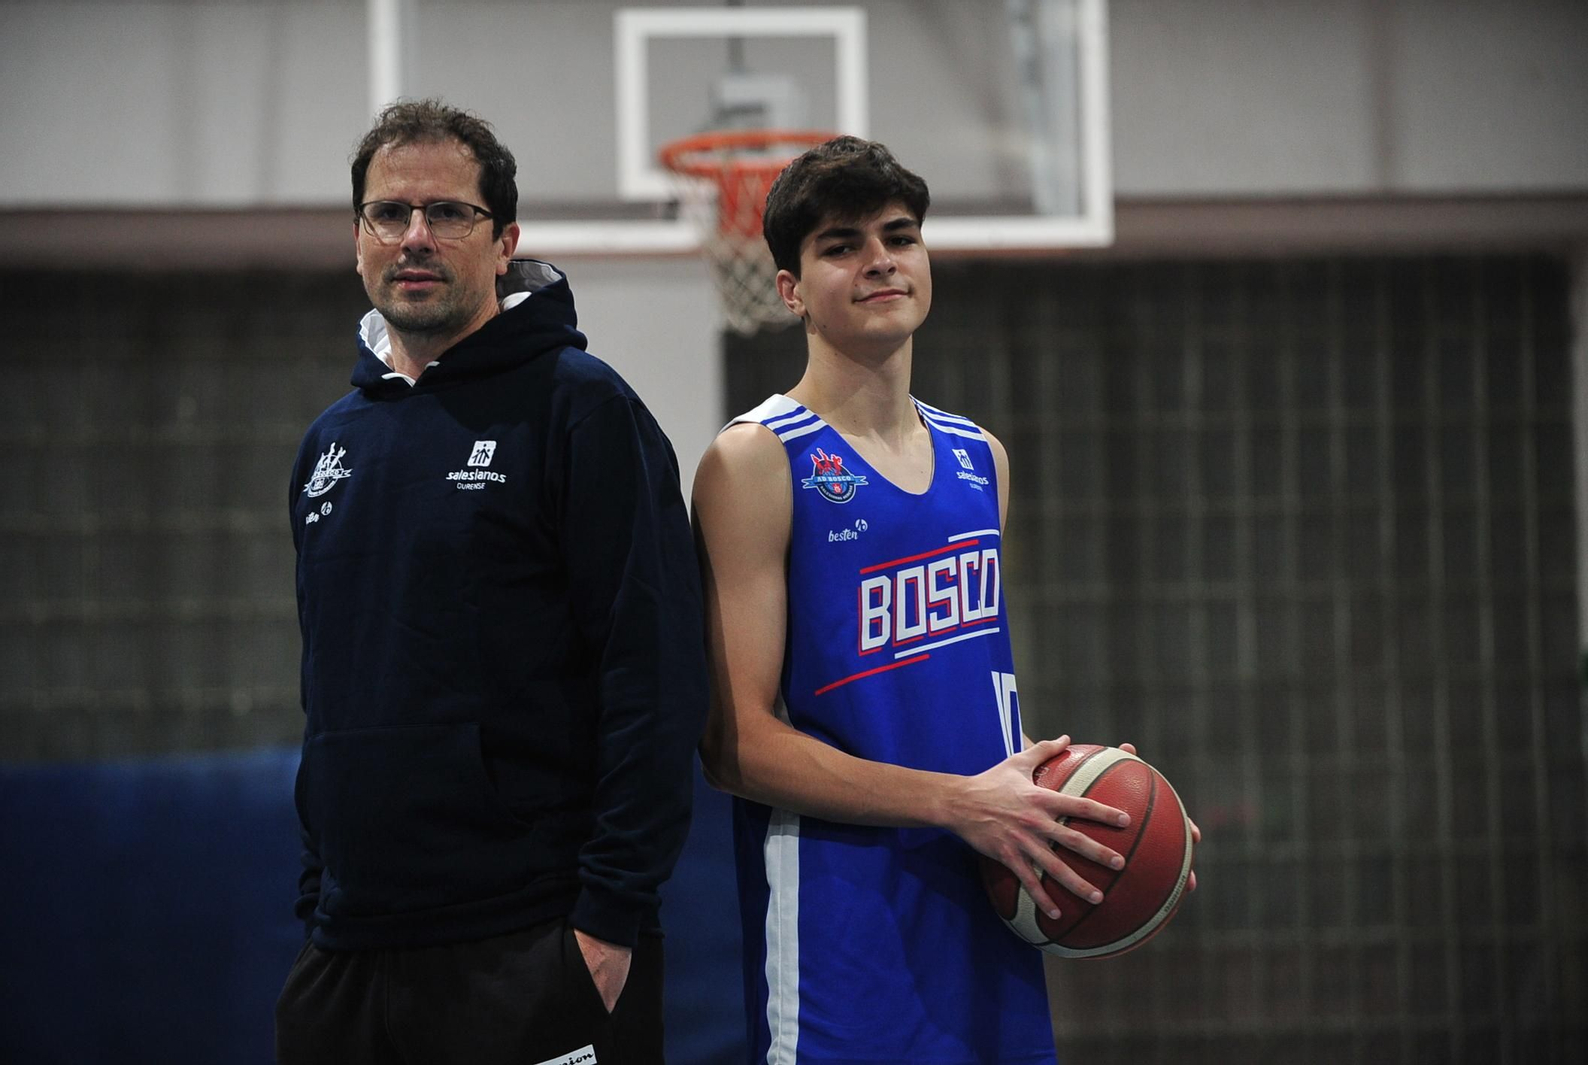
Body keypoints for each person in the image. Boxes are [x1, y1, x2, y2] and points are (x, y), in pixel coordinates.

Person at [694, 136, 1198, 1063]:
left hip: (986, 896)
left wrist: (1090, 802)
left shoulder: (980, 458)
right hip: (842, 920)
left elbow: (962, 701)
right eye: (842, 244)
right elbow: (737, 744)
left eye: (900, 235)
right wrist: (960, 805)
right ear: (791, 289)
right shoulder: (756, 460)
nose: (881, 258)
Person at [276, 99, 707, 1065]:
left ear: (505, 241)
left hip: (536, 944)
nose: (415, 236)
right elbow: (328, 693)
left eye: (448, 212)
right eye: (390, 213)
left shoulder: (583, 411)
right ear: (358, 241)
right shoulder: (328, 446)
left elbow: (656, 674)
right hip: (347, 955)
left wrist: (606, 924)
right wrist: (319, 903)